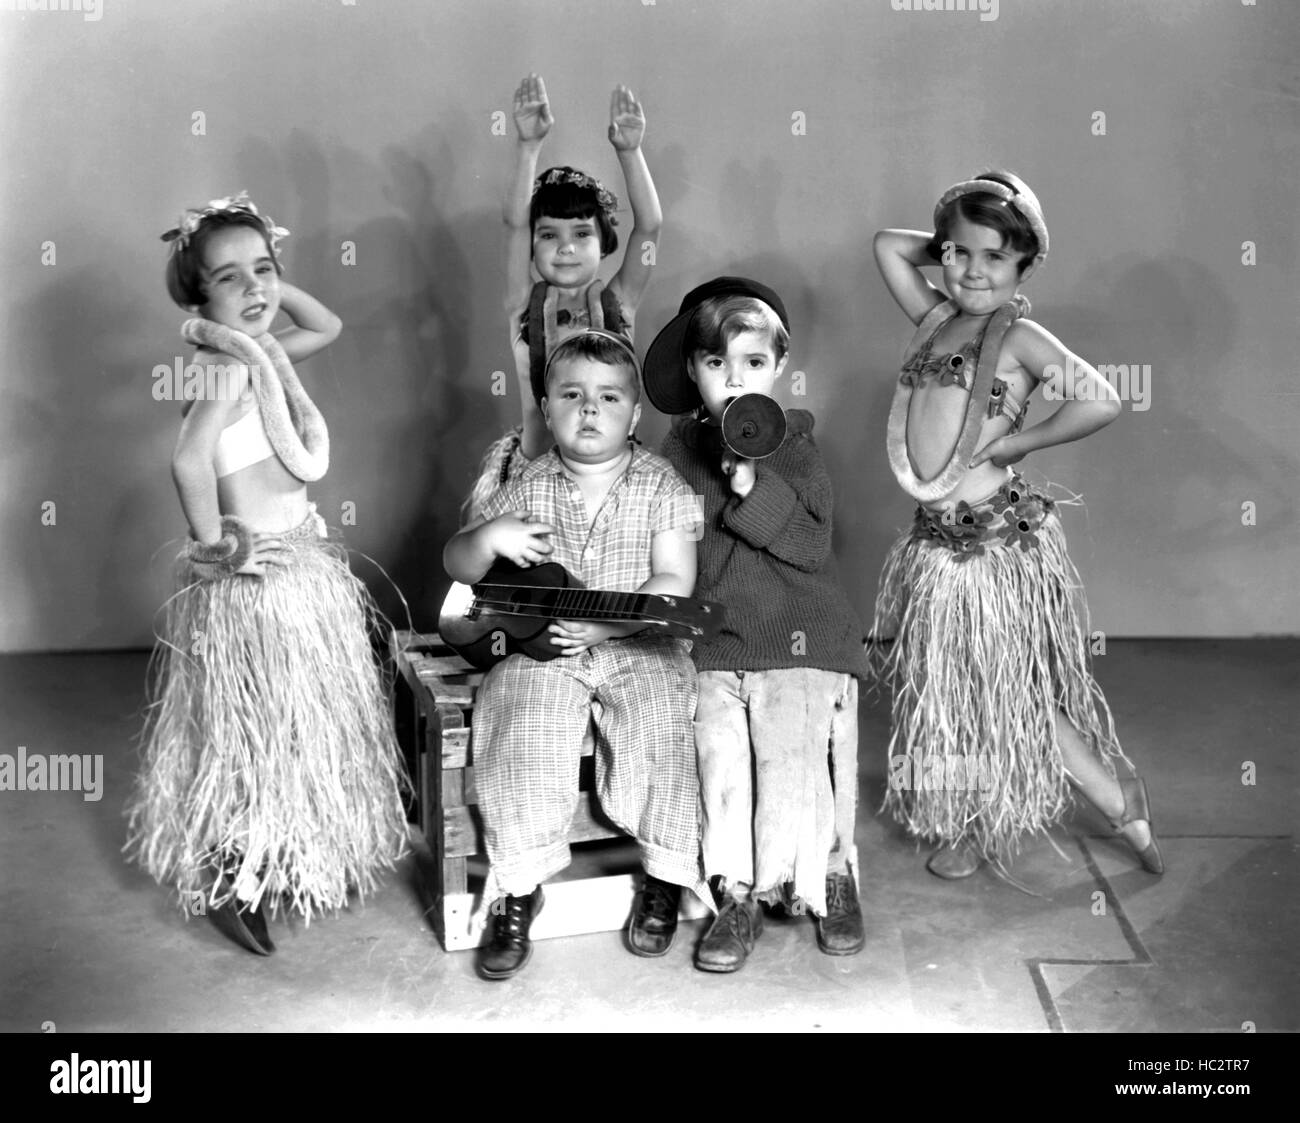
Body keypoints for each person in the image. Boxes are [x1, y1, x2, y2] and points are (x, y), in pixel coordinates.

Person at [125, 193, 409, 955]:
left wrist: (267, 285)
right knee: (252, 738)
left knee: (296, 730)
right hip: (259, 584)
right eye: (229, 278)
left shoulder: (264, 353)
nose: (254, 289)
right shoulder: (225, 366)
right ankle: (232, 873)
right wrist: (219, 547)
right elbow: (187, 459)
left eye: (265, 269)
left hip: (301, 567)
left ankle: (284, 849)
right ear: (198, 296)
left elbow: (327, 326)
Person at [870, 171, 1164, 881]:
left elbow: (1102, 400)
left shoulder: (1021, 336)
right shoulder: (936, 317)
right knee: (952, 690)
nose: (972, 270)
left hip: (994, 545)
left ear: (1025, 265)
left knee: (1010, 692)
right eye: (959, 253)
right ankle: (968, 820)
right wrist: (952, 238)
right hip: (937, 543)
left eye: (995, 257)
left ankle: (1104, 796)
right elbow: (886, 246)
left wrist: (1020, 443)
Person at [444, 330, 708, 981]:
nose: (589, 409)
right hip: (548, 647)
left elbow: (675, 585)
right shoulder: (527, 485)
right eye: (572, 395)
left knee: (661, 717)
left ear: (635, 414)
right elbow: (456, 567)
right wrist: (487, 536)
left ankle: (663, 874)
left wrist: (606, 627)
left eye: (608, 397)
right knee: (516, 713)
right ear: (547, 406)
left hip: (638, 640)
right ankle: (519, 883)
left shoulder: (663, 484)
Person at [644, 277, 868, 973]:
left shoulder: (794, 447)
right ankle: (735, 892)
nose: (734, 379)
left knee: (796, 754)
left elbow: (809, 545)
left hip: (803, 633)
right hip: (717, 640)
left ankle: (827, 875)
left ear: (778, 368)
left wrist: (753, 485)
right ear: (692, 371)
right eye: (716, 365)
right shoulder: (676, 452)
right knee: (720, 758)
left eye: (751, 363)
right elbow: (661, 540)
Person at [463, 73, 662, 522]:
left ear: (605, 242)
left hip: (612, 483)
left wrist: (629, 152)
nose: (566, 247)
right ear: (532, 247)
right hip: (536, 482)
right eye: (549, 234)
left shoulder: (618, 307)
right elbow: (514, 224)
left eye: (581, 234)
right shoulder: (524, 308)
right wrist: (528, 146)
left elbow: (649, 228)